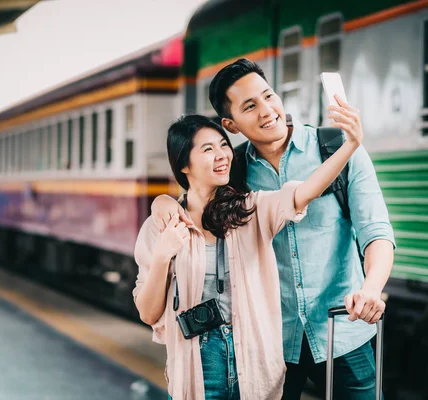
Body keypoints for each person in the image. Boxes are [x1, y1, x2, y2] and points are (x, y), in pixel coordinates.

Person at [151, 59, 395, 399]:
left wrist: (371, 288)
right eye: (250, 106)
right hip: (268, 343)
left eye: (269, 96)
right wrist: (162, 201)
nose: (267, 111)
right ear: (230, 124)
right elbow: (194, 200)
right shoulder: (232, 172)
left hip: (343, 332)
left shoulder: (338, 148)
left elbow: (376, 232)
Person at [134, 111, 363, 399]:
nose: (222, 155)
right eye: (208, 149)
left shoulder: (250, 211)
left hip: (253, 357)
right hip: (198, 363)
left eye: (223, 145)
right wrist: (162, 257)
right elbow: (147, 312)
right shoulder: (162, 227)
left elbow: (305, 192)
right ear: (183, 164)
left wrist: (350, 145)